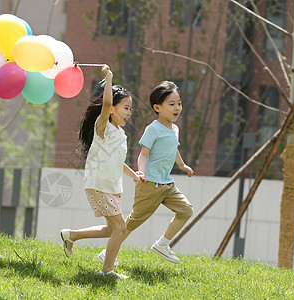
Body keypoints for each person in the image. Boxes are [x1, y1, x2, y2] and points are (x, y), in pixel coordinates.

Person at [97, 81, 194, 264]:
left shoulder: (175, 129)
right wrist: (141, 173)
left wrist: (182, 165)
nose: (177, 108)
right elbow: (143, 154)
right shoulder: (153, 129)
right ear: (157, 107)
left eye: (179, 103)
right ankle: (107, 253)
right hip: (150, 184)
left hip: (167, 184)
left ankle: (162, 244)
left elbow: (174, 149)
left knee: (186, 210)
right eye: (171, 104)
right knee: (131, 223)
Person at [60, 65, 142, 279]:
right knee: (120, 229)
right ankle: (107, 271)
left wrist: (134, 175)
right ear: (113, 109)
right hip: (99, 185)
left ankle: (71, 236)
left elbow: (117, 162)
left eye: (131, 109)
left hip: (112, 187)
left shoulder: (120, 134)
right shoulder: (102, 126)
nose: (129, 113)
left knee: (111, 230)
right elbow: (105, 102)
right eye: (126, 108)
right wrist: (109, 78)